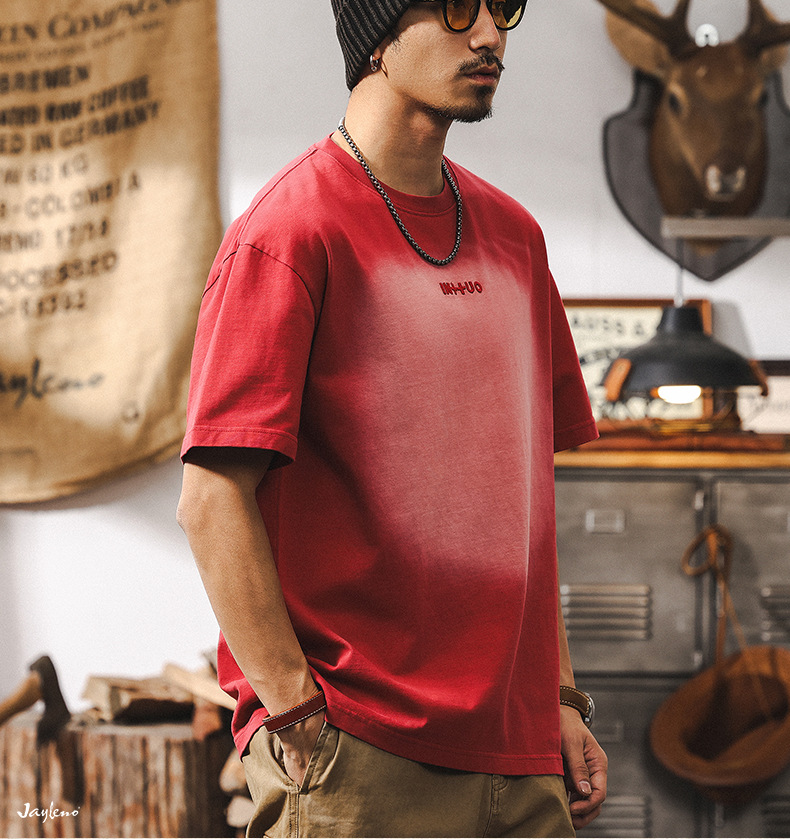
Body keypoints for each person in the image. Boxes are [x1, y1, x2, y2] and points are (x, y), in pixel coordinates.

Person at [177, 0, 608, 836]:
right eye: (455, 7)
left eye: (503, 8)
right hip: (361, 752)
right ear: (376, 34)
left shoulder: (516, 239)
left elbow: (523, 510)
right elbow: (211, 500)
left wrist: (558, 696)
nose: (489, 35)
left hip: (521, 757)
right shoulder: (288, 234)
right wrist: (297, 711)